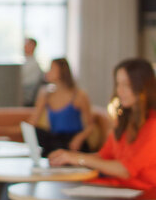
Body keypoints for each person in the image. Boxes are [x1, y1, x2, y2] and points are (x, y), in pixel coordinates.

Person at [49, 58, 156, 190]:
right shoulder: (125, 121)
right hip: (115, 188)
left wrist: (79, 159)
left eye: (126, 85)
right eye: (118, 84)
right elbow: (103, 156)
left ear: (143, 86)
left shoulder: (152, 126)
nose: (119, 91)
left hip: (141, 195)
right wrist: (69, 158)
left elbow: (125, 170)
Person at [28, 58, 93, 157]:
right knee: (39, 134)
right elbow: (33, 122)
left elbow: (90, 126)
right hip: (55, 139)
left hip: (72, 141)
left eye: (51, 69)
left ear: (62, 71)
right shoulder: (46, 95)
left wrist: (79, 138)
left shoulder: (79, 96)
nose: (48, 72)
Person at [21, 37, 44, 106]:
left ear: (32, 46)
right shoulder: (25, 62)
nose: (24, 46)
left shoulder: (34, 65)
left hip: (27, 98)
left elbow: (26, 83)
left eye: (27, 44)